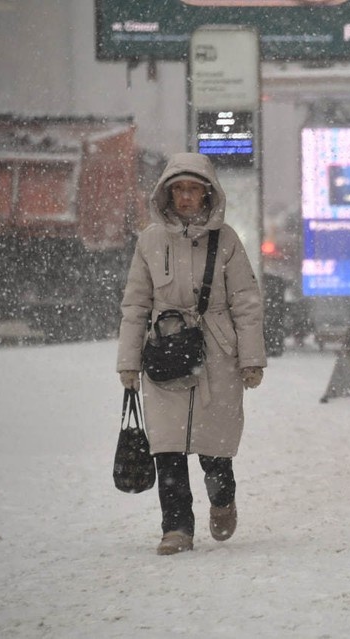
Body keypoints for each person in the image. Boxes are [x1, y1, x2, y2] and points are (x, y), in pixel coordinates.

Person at [116, 152, 266, 555]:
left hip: (217, 353)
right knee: (167, 447)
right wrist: (128, 362)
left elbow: (246, 301)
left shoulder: (226, 240)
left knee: (215, 447)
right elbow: (136, 304)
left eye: (193, 189)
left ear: (207, 193)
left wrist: (251, 359)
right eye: (178, 189)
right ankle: (177, 528)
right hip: (164, 351)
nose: (185, 197)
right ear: (167, 194)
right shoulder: (149, 241)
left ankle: (222, 499)